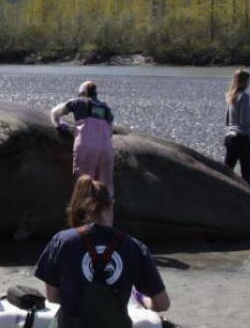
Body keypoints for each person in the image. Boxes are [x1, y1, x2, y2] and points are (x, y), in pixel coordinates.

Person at [34, 176, 170, 328]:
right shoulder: (134, 247)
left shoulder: (61, 242)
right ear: (111, 205)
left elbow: (52, 297)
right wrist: (144, 301)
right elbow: (162, 303)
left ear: (77, 208)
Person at [50, 81, 116, 197]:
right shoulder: (106, 108)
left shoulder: (77, 102)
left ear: (82, 93)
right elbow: (109, 130)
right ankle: (104, 214)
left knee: (83, 184)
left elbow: (55, 113)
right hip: (106, 150)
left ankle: (82, 212)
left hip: (86, 147)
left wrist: (58, 124)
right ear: (96, 93)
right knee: (105, 187)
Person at [224, 69, 250, 185]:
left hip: (230, 137)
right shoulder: (244, 96)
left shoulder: (230, 95)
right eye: (248, 81)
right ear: (244, 82)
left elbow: (227, 121)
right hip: (242, 139)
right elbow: (244, 121)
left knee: (226, 173)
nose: (249, 83)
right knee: (246, 176)